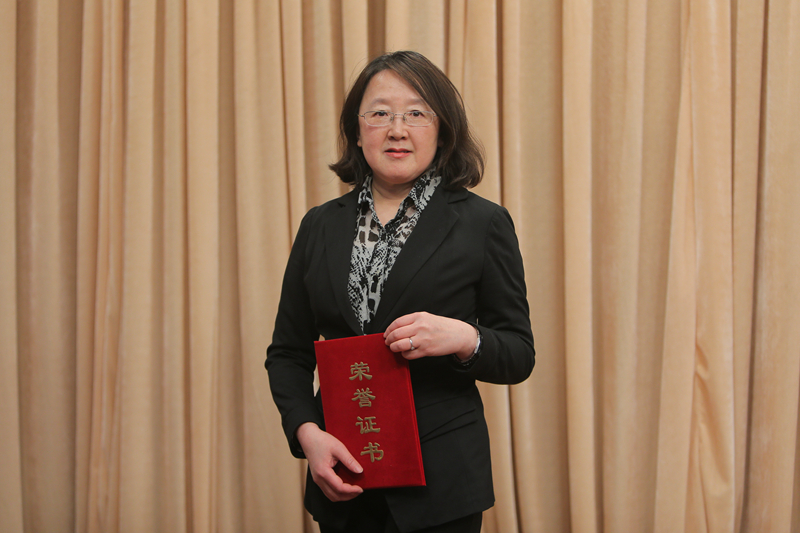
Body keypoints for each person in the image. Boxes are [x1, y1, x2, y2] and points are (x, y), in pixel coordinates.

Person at [266, 50, 534, 533]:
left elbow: (518, 353)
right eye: (379, 113)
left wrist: (463, 338)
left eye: (416, 113)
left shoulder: (482, 223)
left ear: (442, 130)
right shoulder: (319, 226)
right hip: (345, 474)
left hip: (442, 484)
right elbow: (287, 352)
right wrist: (307, 434)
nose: (397, 129)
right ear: (357, 130)